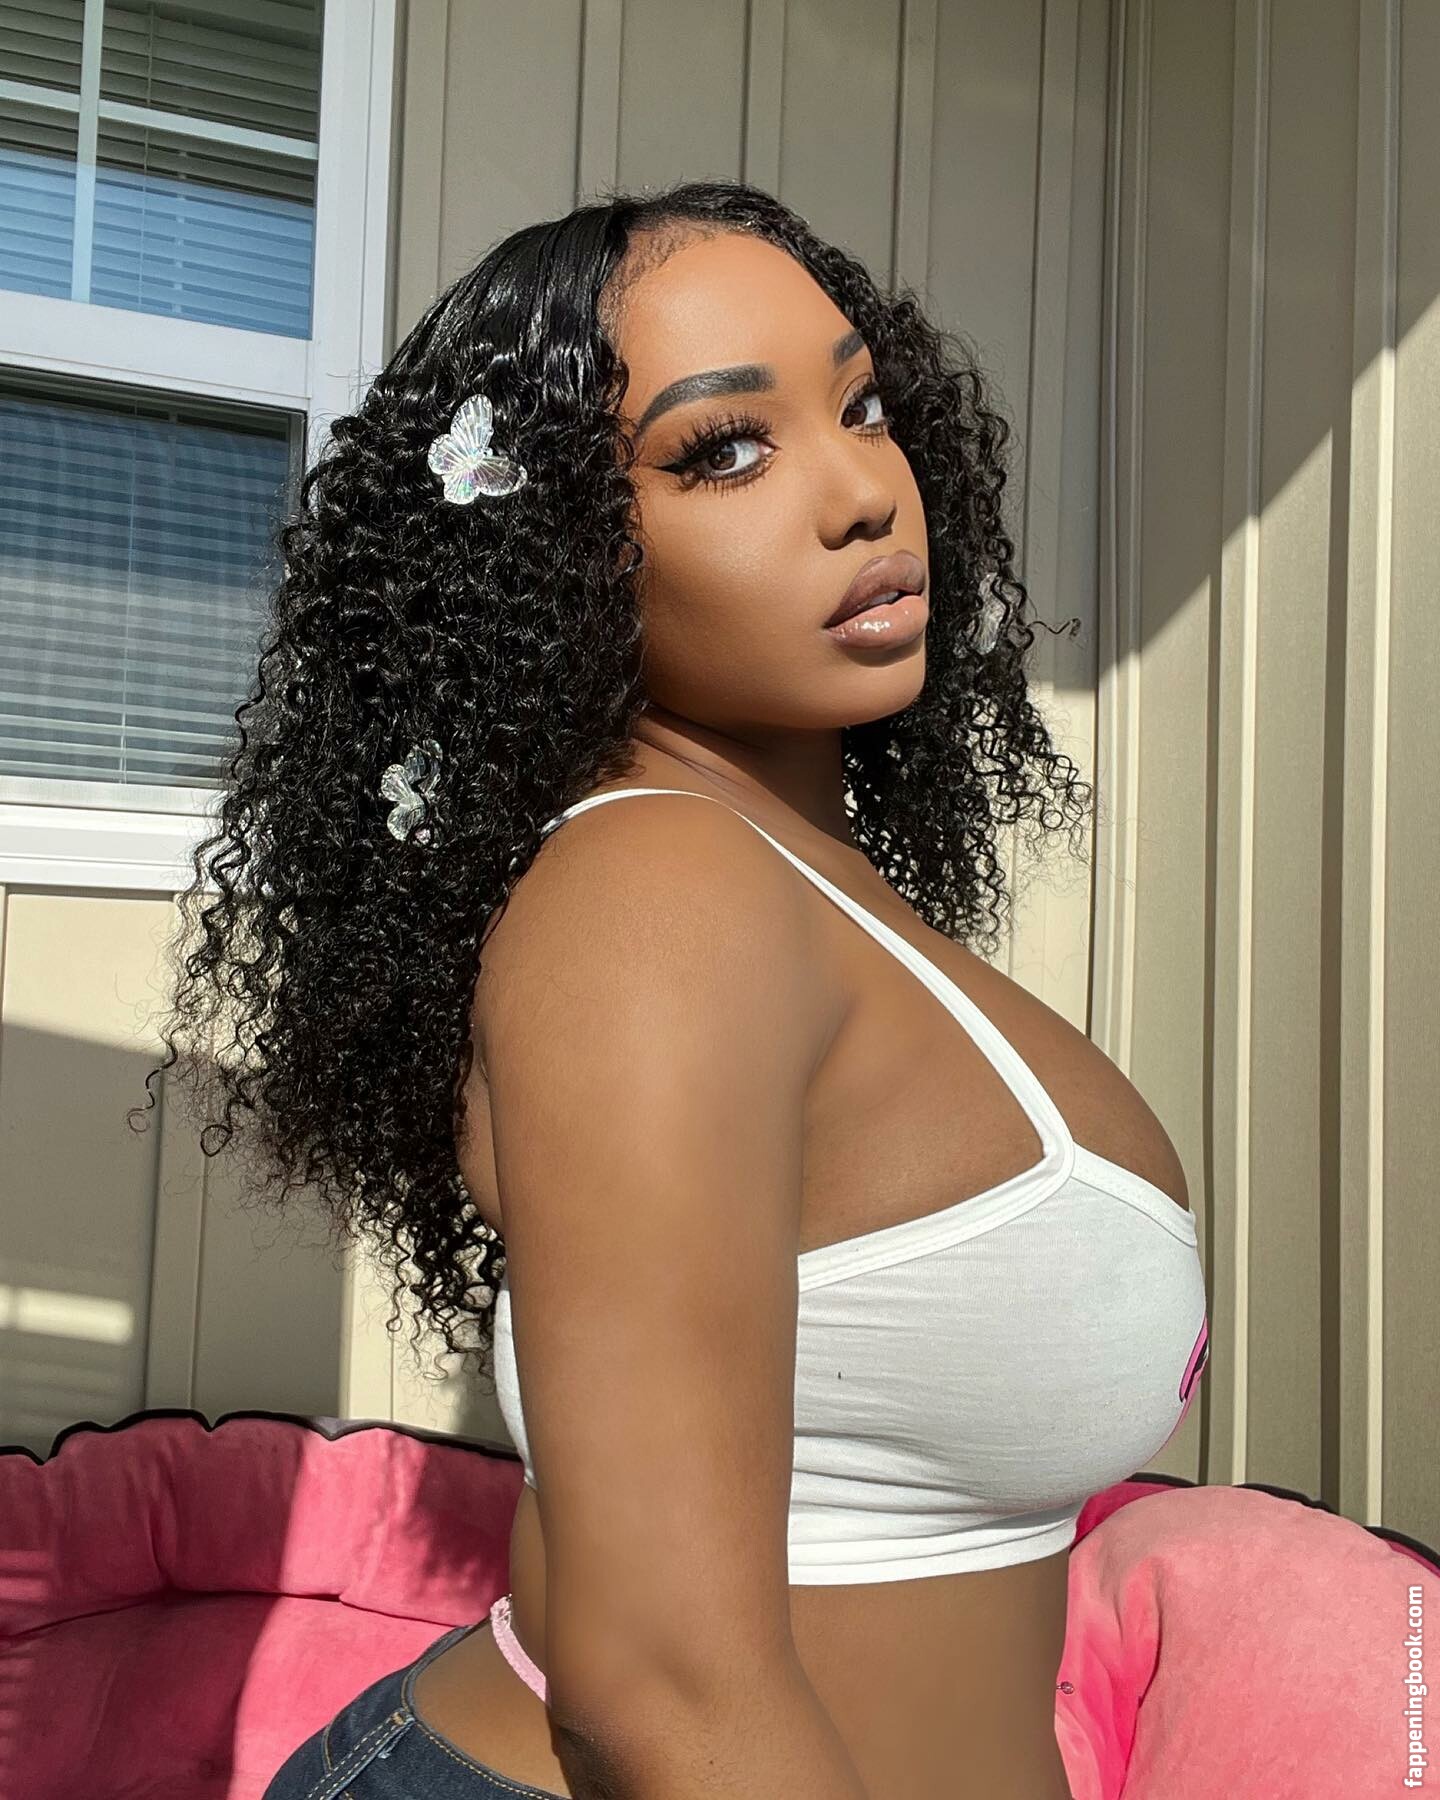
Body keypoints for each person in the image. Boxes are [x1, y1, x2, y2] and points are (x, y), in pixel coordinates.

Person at [136, 179, 1435, 1800]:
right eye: (724, 449)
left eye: (863, 406)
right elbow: (659, 1689)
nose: (862, 493)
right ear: (555, 554)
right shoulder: (654, 897)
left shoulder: (789, 877)